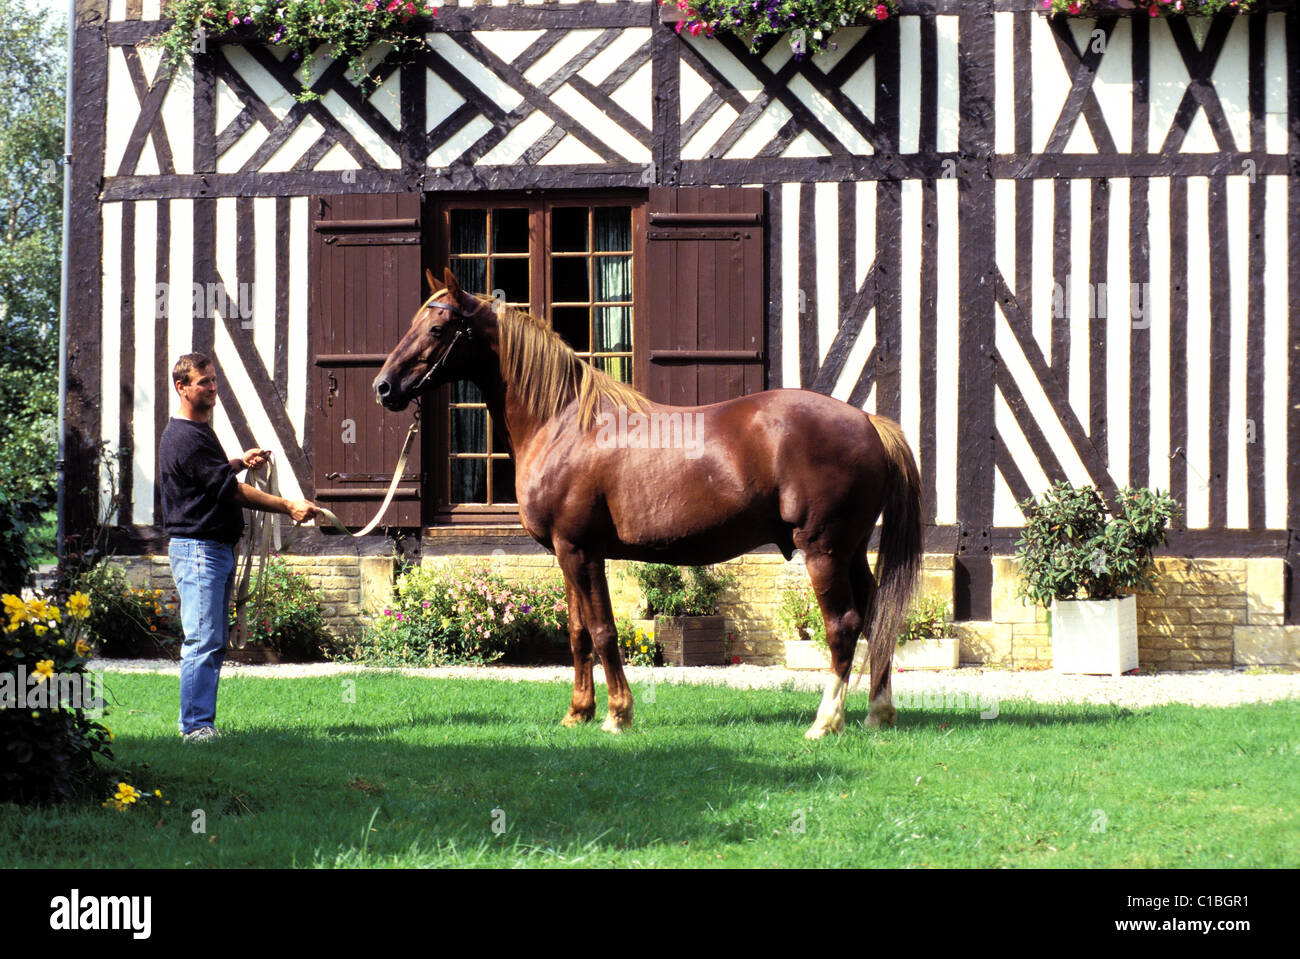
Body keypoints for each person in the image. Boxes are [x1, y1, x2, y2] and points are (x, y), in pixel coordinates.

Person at [159, 353, 319, 743]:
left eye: (214, 380)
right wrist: (287, 505)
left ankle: (199, 723)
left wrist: (236, 461)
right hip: (200, 550)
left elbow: (209, 476)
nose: (212, 388)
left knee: (210, 639)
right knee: (202, 639)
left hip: (212, 550)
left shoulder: (196, 431)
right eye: (203, 383)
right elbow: (227, 491)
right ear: (181, 387)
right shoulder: (185, 436)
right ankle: (195, 728)